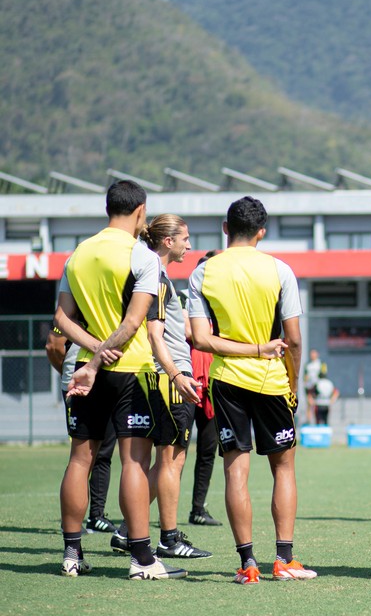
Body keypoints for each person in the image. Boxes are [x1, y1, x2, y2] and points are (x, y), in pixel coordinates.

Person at [52, 179, 187, 580]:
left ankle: (72, 554)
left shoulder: (78, 254)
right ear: (141, 210)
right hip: (130, 371)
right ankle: (143, 560)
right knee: (134, 461)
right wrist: (101, 357)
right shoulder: (141, 256)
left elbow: (61, 319)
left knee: (80, 458)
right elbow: (134, 323)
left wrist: (92, 352)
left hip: (86, 371)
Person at [188, 196, 314, 585]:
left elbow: (200, 339)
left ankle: (248, 565)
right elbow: (292, 339)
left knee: (235, 471)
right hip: (272, 381)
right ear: (262, 232)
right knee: (284, 468)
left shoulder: (203, 272)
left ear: (226, 228)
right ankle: (285, 560)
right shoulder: (280, 270)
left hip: (226, 382)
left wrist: (243, 350)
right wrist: (290, 381)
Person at [135, 214, 212, 559]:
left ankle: (128, 530)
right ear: (168, 241)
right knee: (171, 461)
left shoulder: (154, 272)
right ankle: (168, 538)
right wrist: (178, 375)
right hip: (169, 378)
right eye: (185, 238)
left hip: (162, 375)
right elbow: (154, 334)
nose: (189, 245)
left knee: (161, 461)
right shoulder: (157, 275)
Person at [46, 327, 117, 534]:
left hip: (110, 375)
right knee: (81, 454)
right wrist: (68, 372)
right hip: (80, 378)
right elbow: (53, 345)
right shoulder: (74, 300)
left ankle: (96, 515)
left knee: (103, 452)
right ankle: (71, 522)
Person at [188, 250, 223, 527]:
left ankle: (198, 509)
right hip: (186, 383)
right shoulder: (186, 300)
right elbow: (188, 333)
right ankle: (141, 521)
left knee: (208, 450)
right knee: (172, 454)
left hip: (213, 386)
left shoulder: (224, 306)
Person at [305, 350, 326, 424]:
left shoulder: (321, 364)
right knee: (309, 404)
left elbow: (324, 374)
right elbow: (306, 376)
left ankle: (318, 421)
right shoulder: (308, 365)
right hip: (310, 387)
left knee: (317, 404)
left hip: (318, 386)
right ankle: (309, 421)